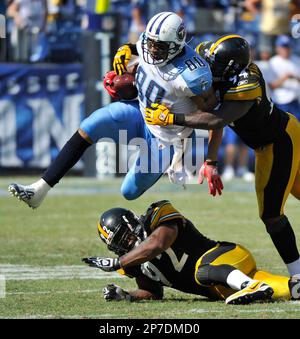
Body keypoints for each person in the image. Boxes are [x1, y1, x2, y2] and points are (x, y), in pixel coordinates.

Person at [8, 11, 223, 209]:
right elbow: (139, 53)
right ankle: (40, 189)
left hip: (167, 139)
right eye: (151, 43)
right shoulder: (151, 43)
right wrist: (126, 55)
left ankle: (164, 166)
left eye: (160, 47)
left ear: (176, 45)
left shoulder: (191, 76)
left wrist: (207, 157)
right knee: (91, 124)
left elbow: (215, 119)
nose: (153, 50)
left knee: (129, 192)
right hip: (140, 113)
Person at [144, 34, 300, 281]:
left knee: (271, 214)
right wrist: (211, 161)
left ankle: (298, 276)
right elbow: (174, 51)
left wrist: (171, 118)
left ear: (230, 68)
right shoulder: (210, 55)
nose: (207, 66)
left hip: (279, 142)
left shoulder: (247, 83)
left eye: (214, 64)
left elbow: (217, 120)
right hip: (271, 141)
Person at [82, 200, 299, 304]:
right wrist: (127, 296)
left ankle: (249, 286)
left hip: (229, 256)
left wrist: (118, 262)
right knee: (289, 289)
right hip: (223, 287)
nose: (127, 244)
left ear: (131, 224)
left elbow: (157, 244)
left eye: (125, 236)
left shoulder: (157, 215)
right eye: (120, 244)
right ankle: (265, 287)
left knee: (202, 271)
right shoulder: (133, 263)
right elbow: (153, 293)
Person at [268, 35, 300, 121]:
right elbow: (271, 86)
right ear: (277, 48)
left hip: (294, 101)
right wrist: (284, 78)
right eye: (283, 47)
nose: (286, 49)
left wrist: (295, 77)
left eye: (288, 46)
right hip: (280, 102)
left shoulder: (296, 60)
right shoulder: (273, 62)